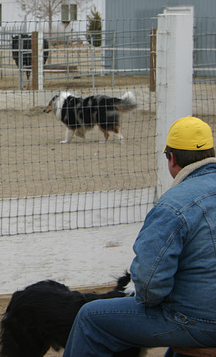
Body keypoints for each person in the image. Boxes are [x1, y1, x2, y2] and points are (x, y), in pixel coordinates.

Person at [63, 116, 216, 356]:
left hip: (199, 322)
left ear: (172, 158)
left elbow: (149, 284)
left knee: (88, 318)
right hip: (201, 318)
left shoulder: (173, 205)